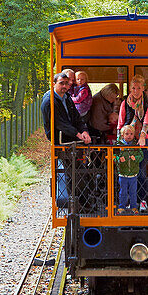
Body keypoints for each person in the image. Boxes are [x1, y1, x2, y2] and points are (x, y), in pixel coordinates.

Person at [40, 72, 90, 209]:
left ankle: (81, 201)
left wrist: (84, 130)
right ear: (54, 83)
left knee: (77, 170)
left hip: (71, 140)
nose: (64, 86)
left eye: (66, 83)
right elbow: (59, 123)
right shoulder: (49, 101)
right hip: (61, 142)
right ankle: (74, 203)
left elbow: (76, 116)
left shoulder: (66, 97)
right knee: (71, 172)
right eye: (61, 83)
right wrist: (78, 134)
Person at [117, 74, 148, 146]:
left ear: (143, 88)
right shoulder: (125, 103)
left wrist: (142, 136)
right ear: (130, 89)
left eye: (139, 88)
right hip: (127, 137)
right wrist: (119, 139)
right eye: (133, 88)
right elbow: (121, 123)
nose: (136, 91)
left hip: (145, 137)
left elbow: (147, 122)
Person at [115, 124, 141, 214]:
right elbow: (114, 155)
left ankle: (134, 207)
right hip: (122, 173)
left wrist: (136, 158)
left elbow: (141, 156)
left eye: (131, 134)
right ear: (122, 135)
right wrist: (119, 159)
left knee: (133, 192)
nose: (129, 136)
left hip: (133, 173)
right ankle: (121, 206)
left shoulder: (136, 144)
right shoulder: (118, 145)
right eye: (127, 134)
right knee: (123, 192)